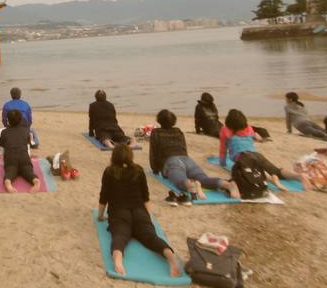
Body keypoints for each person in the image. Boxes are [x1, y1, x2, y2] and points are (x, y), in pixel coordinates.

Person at [97, 143, 182, 278]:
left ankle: (118, 261)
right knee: (151, 238)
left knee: (120, 236)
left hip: (119, 213)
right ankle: (171, 259)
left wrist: (100, 216)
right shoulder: (138, 170)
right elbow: (145, 197)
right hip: (139, 212)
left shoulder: (109, 172)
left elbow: (103, 198)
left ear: (114, 157)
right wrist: (148, 218)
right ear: (130, 157)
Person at [149, 109, 239, 202]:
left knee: (181, 181)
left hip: (171, 161)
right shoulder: (178, 131)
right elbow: (183, 148)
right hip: (186, 159)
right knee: (204, 179)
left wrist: (155, 170)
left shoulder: (156, 132)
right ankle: (227, 184)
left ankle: (191, 185)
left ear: (159, 120)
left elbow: (153, 153)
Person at [219, 109, 310, 191]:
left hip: (244, 157)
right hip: (257, 155)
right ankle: (298, 176)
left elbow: (223, 148)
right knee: (277, 171)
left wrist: (222, 163)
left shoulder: (225, 130)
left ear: (229, 124)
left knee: (255, 172)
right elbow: (256, 137)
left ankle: (273, 180)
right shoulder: (249, 128)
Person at [195, 92, 271, 140]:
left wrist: (198, 131)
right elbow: (216, 117)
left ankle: (254, 134)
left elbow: (197, 120)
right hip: (219, 126)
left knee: (230, 135)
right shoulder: (212, 106)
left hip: (213, 129)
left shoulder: (199, 107)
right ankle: (258, 133)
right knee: (233, 131)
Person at [0, 109, 40, 193]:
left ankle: (8, 182)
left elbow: (2, 148)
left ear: (8, 121)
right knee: (28, 171)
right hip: (24, 157)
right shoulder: (26, 131)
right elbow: (28, 146)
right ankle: (36, 181)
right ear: (21, 120)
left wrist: (4, 161)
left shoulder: (4, 132)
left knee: (10, 172)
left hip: (10, 158)